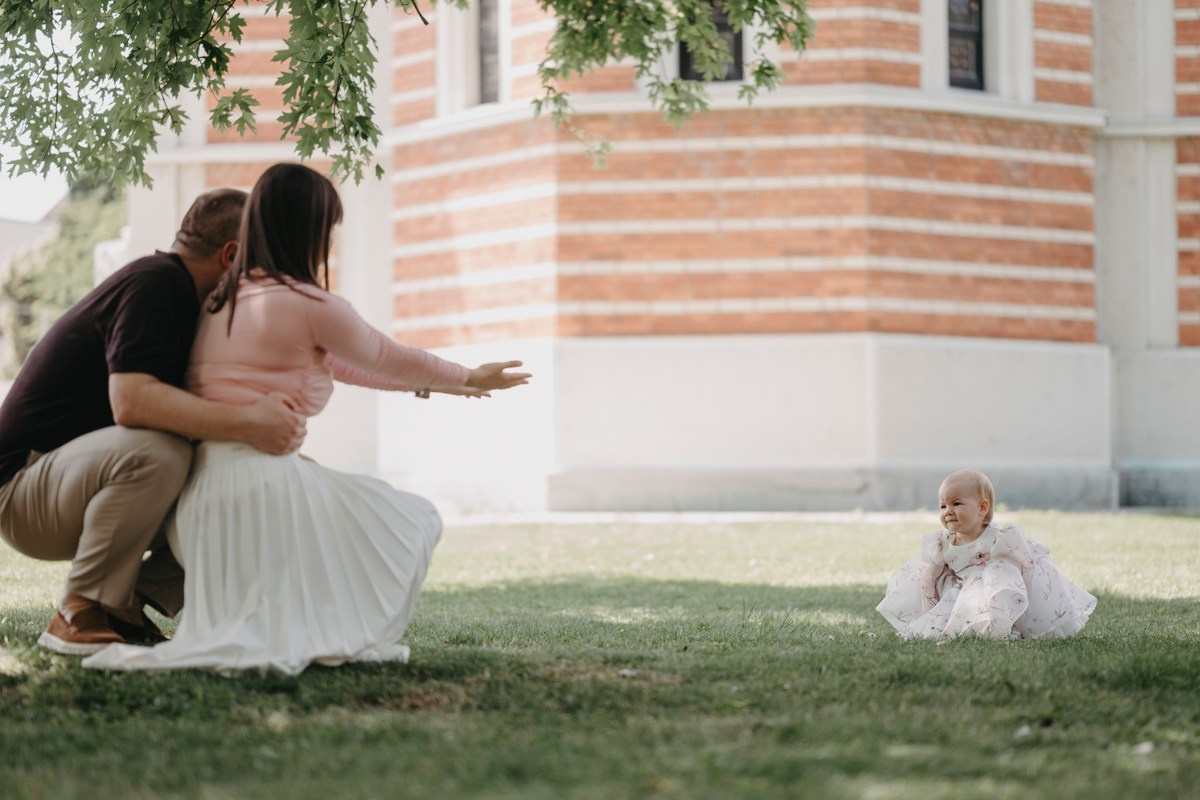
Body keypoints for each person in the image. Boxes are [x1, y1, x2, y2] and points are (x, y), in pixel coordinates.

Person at [84, 162, 530, 674]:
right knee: (411, 519)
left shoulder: (220, 300)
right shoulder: (311, 304)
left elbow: (344, 364)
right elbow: (383, 355)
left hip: (201, 502)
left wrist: (446, 385)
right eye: (329, 230)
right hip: (258, 496)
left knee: (335, 503)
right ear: (311, 231)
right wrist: (469, 376)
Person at [0, 188, 307, 655]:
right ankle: (77, 611)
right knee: (162, 452)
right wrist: (250, 422)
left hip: (72, 480)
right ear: (231, 256)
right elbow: (133, 404)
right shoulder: (157, 284)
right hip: (21, 488)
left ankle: (124, 607)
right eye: (257, 265)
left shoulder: (184, 299)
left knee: (240, 483)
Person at [876, 469, 1096, 640]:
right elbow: (928, 580)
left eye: (956, 503)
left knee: (998, 578)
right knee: (945, 592)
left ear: (982, 508)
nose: (947, 511)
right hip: (960, 591)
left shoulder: (998, 538)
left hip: (989, 588)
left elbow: (1019, 571)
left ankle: (1005, 627)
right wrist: (929, 617)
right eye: (942, 506)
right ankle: (950, 626)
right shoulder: (941, 542)